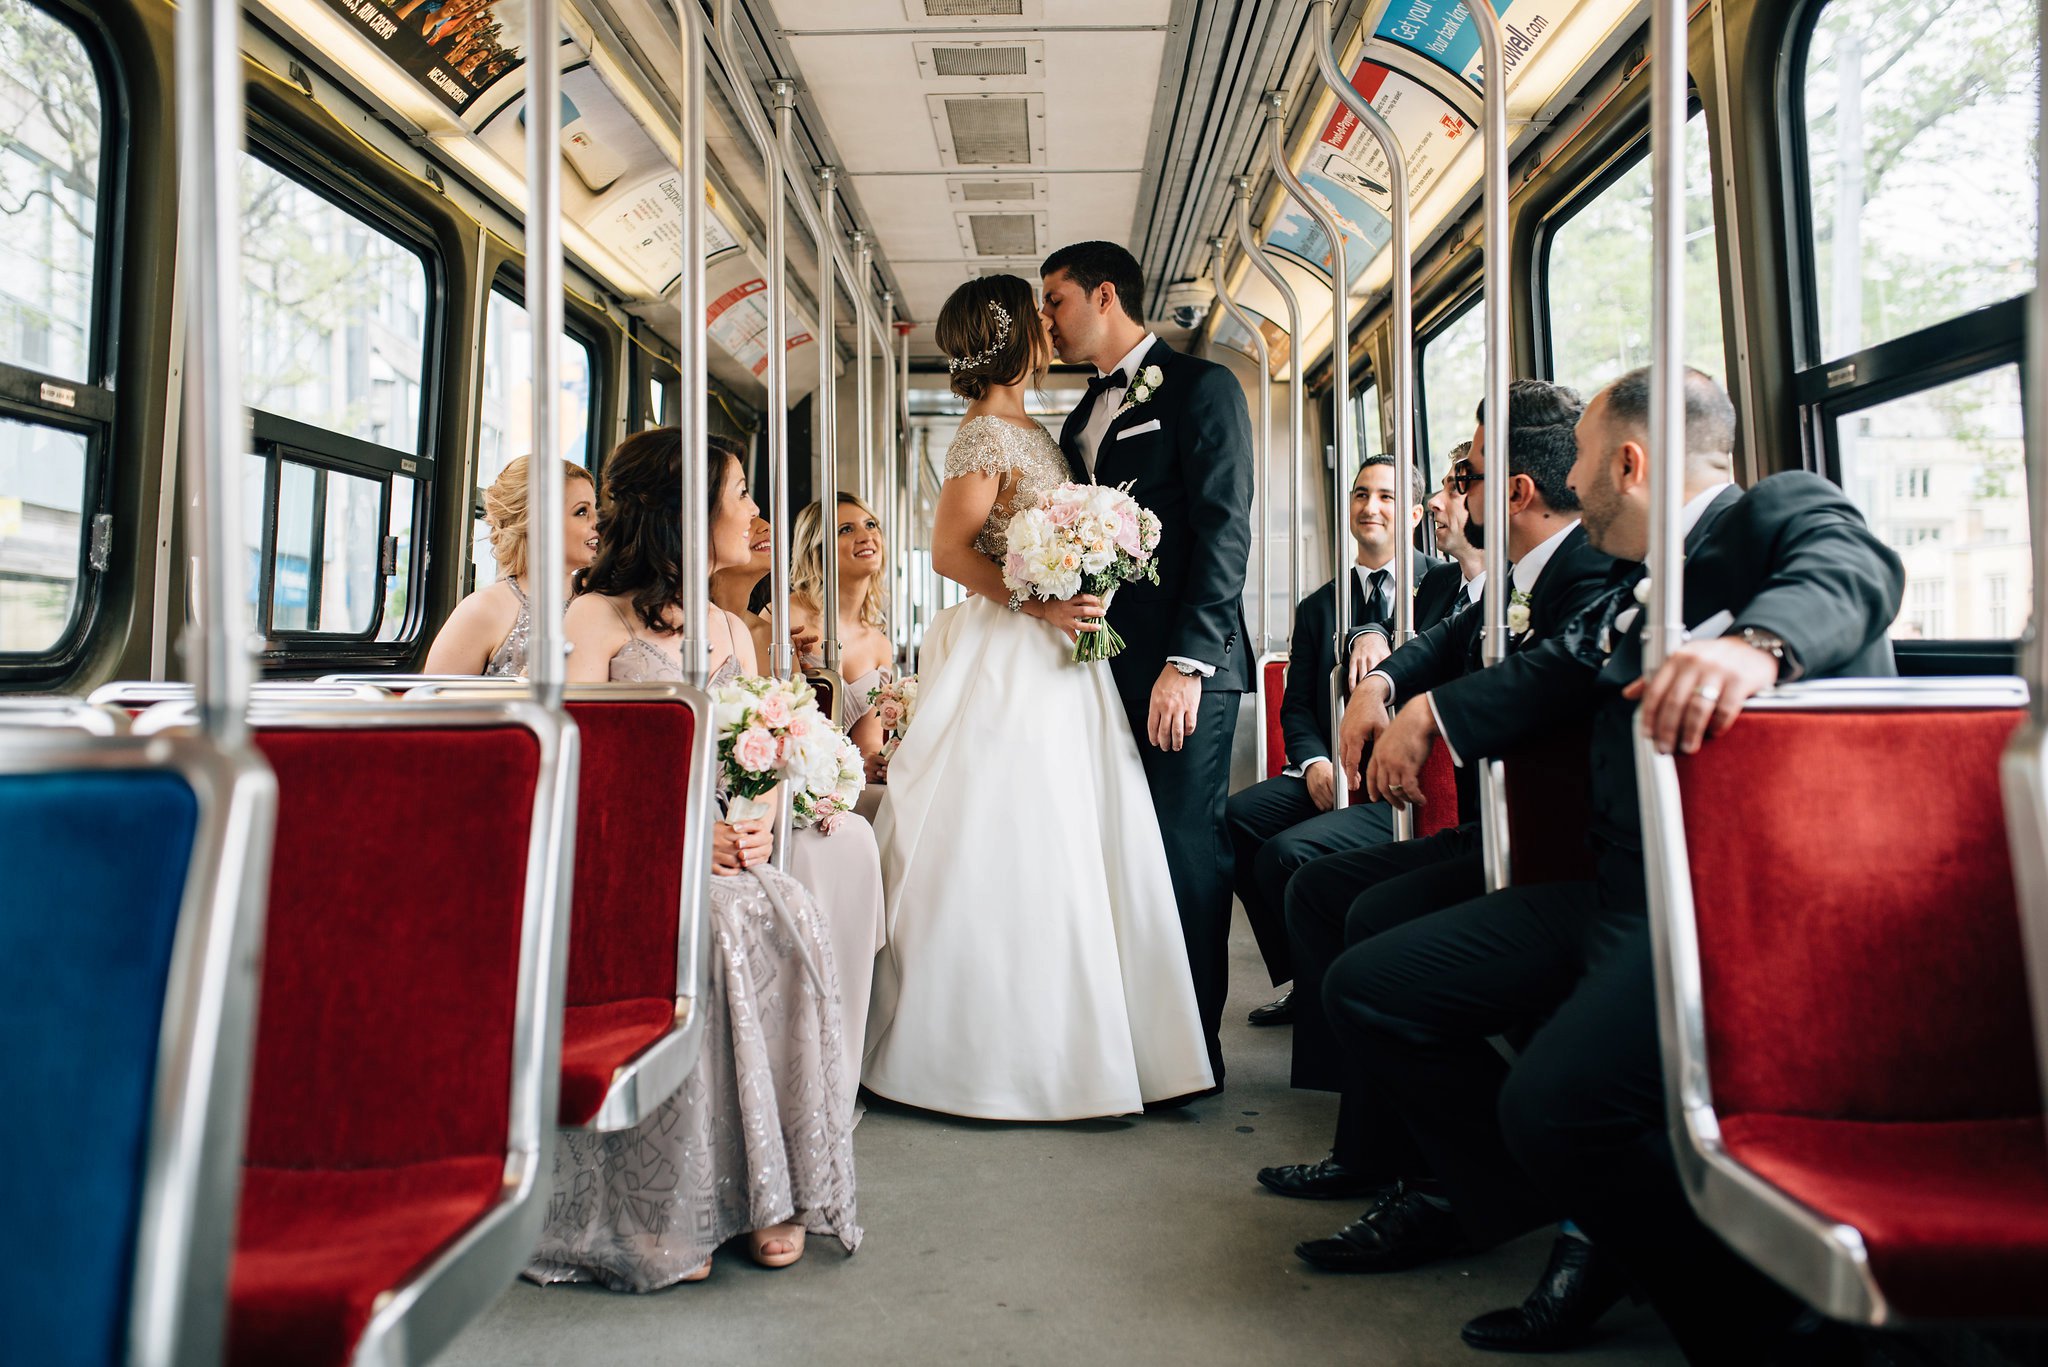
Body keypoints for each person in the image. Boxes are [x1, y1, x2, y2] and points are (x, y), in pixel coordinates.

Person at [1330, 368, 1903, 1362]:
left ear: (1628, 465)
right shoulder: (1636, 589)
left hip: (1733, 904)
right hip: (1618, 886)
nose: (1572, 482)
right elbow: (1552, 665)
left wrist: (1758, 648)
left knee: (1555, 1105)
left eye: (1585, 465)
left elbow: (1852, 569)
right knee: (1373, 983)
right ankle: (1522, 1202)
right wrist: (1423, 705)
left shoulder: (1769, 514)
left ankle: (1779, 1334)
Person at [863, 272, 1213, 1121]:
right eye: (1038, 316)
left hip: (1065, 656)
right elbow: (949, 551)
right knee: (1016, 838)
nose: (1050, 328)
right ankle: (994, 1053)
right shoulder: (984, 435)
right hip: (1014, 649)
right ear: (1011, 335)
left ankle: (1085, 1044)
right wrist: (1042, 600)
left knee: (1076, 838)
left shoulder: (1035, 428)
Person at [1261, 379, 1612, 1205]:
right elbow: (1448, 641)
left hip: (1564, 856)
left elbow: (1556, 672)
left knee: (1366, 927)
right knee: (1318, 889)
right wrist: (1381, 684)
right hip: (1500, 834)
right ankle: (1374, 1144)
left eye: (1469, 475)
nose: (1454, 494)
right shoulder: (1514, 584)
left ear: (1513, 493)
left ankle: (1462, 1180)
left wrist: (1433, 713)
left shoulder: (1595, 575)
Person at [527, 429, 858, 1287]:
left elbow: (762, 753)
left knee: (786, 914)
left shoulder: (728, 629)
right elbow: (577, 770)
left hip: (717, 851)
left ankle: (764, 1189)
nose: (752, 511)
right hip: (624, 859)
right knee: (714, 927)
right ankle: (677, 1201)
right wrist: (681, 838)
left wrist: (754, 823)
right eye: (740, 492)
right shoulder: (592, 618)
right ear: (684, 513)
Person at [1040, 240, 1255, 1082]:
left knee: (1183, 849)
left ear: (1103, 295)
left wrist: (1188, 661)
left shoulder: (1204, 389)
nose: (1046, 321)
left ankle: (1194, 1052)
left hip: (1181, 667)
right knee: (1119, 850)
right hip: (1100, 666)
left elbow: (1223, 527)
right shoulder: (1079, 416)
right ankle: (1135, 1037)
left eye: (1055, 301)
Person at [1224, 454, 1450, 1027]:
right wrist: (1316, 761)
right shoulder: (1318, 604)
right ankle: (1303, 973)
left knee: (1288, 855)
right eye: (1360, 495)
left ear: (1417, 514)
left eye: (1387, 497)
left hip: (1410, 777)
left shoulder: (1446, 587)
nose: (1370, 507)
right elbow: (1297, 706)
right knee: (1237, 819)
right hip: (1339, 770)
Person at [421, 455, 595, 675]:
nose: (597, 523)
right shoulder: (483, 610)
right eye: (582, 512)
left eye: (595, 510)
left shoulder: (600, 603)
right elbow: (437, 705)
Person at [790, 492, 895, 783]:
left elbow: (867, 741)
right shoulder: (786, 616)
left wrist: (873, 761)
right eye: (845, 530)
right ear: (818, 550)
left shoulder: (879, 645)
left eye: (871, 525)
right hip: (789, 774)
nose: (865, 536)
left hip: (839, 782)